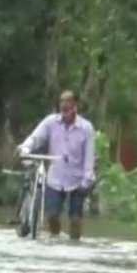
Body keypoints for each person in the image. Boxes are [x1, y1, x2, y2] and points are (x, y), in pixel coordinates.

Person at [19, 90, 95, 240]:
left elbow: (89, 156)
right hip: (56, 177)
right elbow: (36, 137)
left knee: (75, 219)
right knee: (52, 215)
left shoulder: (86, 128)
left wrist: (87, 179)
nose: (65, 107)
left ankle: (74, 244)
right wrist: (25, 147)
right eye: (62, 103)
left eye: (68, 103)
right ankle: (56, 238)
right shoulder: (50, 122)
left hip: (78, 179)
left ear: (76, 106)